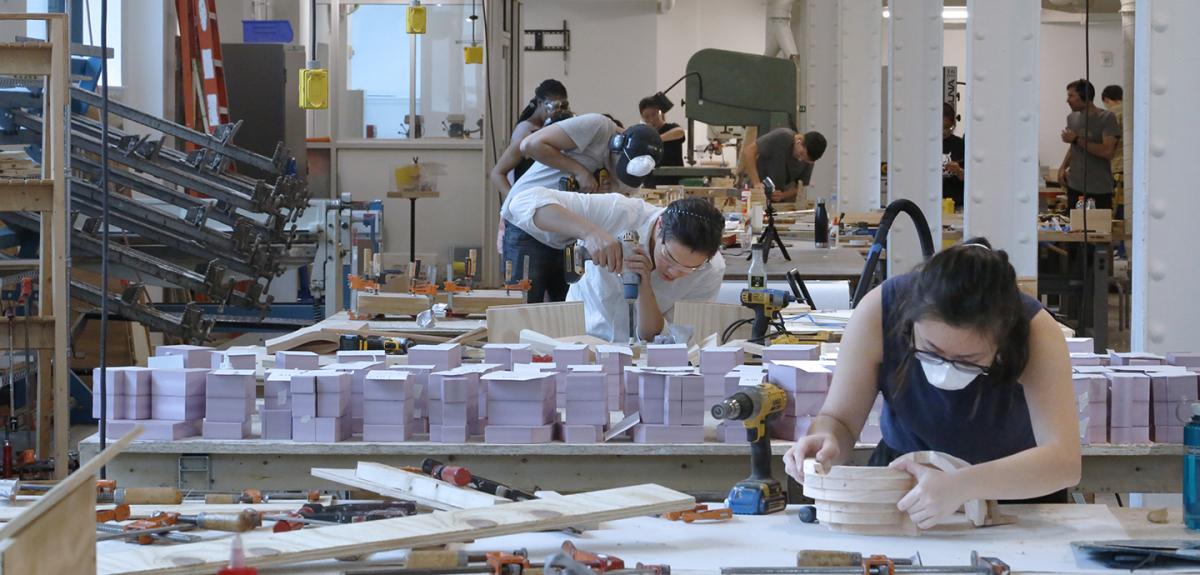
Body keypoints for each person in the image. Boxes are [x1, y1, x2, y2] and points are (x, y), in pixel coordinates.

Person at [783, 239, 1081, 529]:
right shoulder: (880, 310)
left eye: (968, 359)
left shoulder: (1035, 331)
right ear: (910, 323)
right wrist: (826, 439)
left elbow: (1063, 461)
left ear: (1003, 341)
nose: (945, 368)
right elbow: (840, 421)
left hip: (1014, 490)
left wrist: (963, 485)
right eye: (930, 350)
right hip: (902, 488)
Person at [502, 191, 726, 343]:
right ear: (660, 227)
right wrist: (590, 232)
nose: (675, 272)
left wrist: (645, 288)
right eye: (669, 257)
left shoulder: (711, 270)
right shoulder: (620, 212)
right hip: (580, 341)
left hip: (643, 359)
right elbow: (522, 202)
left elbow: (660, 338)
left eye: (689, 268)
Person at [499, 114, 663, 303]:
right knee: (525, 308)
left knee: (566, 315)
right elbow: (530, 145)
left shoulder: (633, 179)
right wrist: (579, 171)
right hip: (528, 225)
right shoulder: (598, 128)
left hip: (569, 240)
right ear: (618, 145)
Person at [489, 79, 570, 196]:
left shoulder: (550, 128)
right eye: (554, 106)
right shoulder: (526, 131)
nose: (559, 111)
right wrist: (513, 199)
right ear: (540, 103)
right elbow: (501, 173)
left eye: (564, 106)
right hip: (525, 195)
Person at [1058, 79, 1120, 210]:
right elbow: (1074, 147)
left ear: (1085, 96)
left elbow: (1108, 152)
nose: (1067, 100)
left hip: (1099, 188)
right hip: (1075, 186)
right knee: (1075, 228)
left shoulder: (1107, 118)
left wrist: (1076, 139)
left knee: (1099, 228)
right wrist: (1063, 167)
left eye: (1071, 96)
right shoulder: (1072, 118)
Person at [742, 127, 827, 203]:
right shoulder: (782, 137)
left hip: (776, 201)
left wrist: (783, 195)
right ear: (799, 141)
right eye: (801, 154)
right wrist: (756, 183)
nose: (800, 159)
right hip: (754, 194)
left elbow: (801, 187)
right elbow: (749, 151)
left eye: (805, 159)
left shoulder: (808, 160)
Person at [639, 96, 686, 187]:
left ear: (660, 113)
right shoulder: (644, 134)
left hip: (672, 183)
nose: (651, 119)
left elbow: (680, 132)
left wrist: (657, 139)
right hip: (651, 183)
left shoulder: (671, 128)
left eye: (654, 114)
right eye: (647, 117)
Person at [941, 103, 965, 210]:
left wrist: (958, 170)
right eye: (941, 127)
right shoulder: (925, 145)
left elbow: (971, 180)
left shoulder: (960, 144)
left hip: (956, 205)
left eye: (947, 127)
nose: (944, 132)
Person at [1101, 84, 1124, 185]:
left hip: (1116, 167)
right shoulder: (1131, 110)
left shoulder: (1111, 114)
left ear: (1106, 99)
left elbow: (1107, 145)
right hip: (1132, 166)